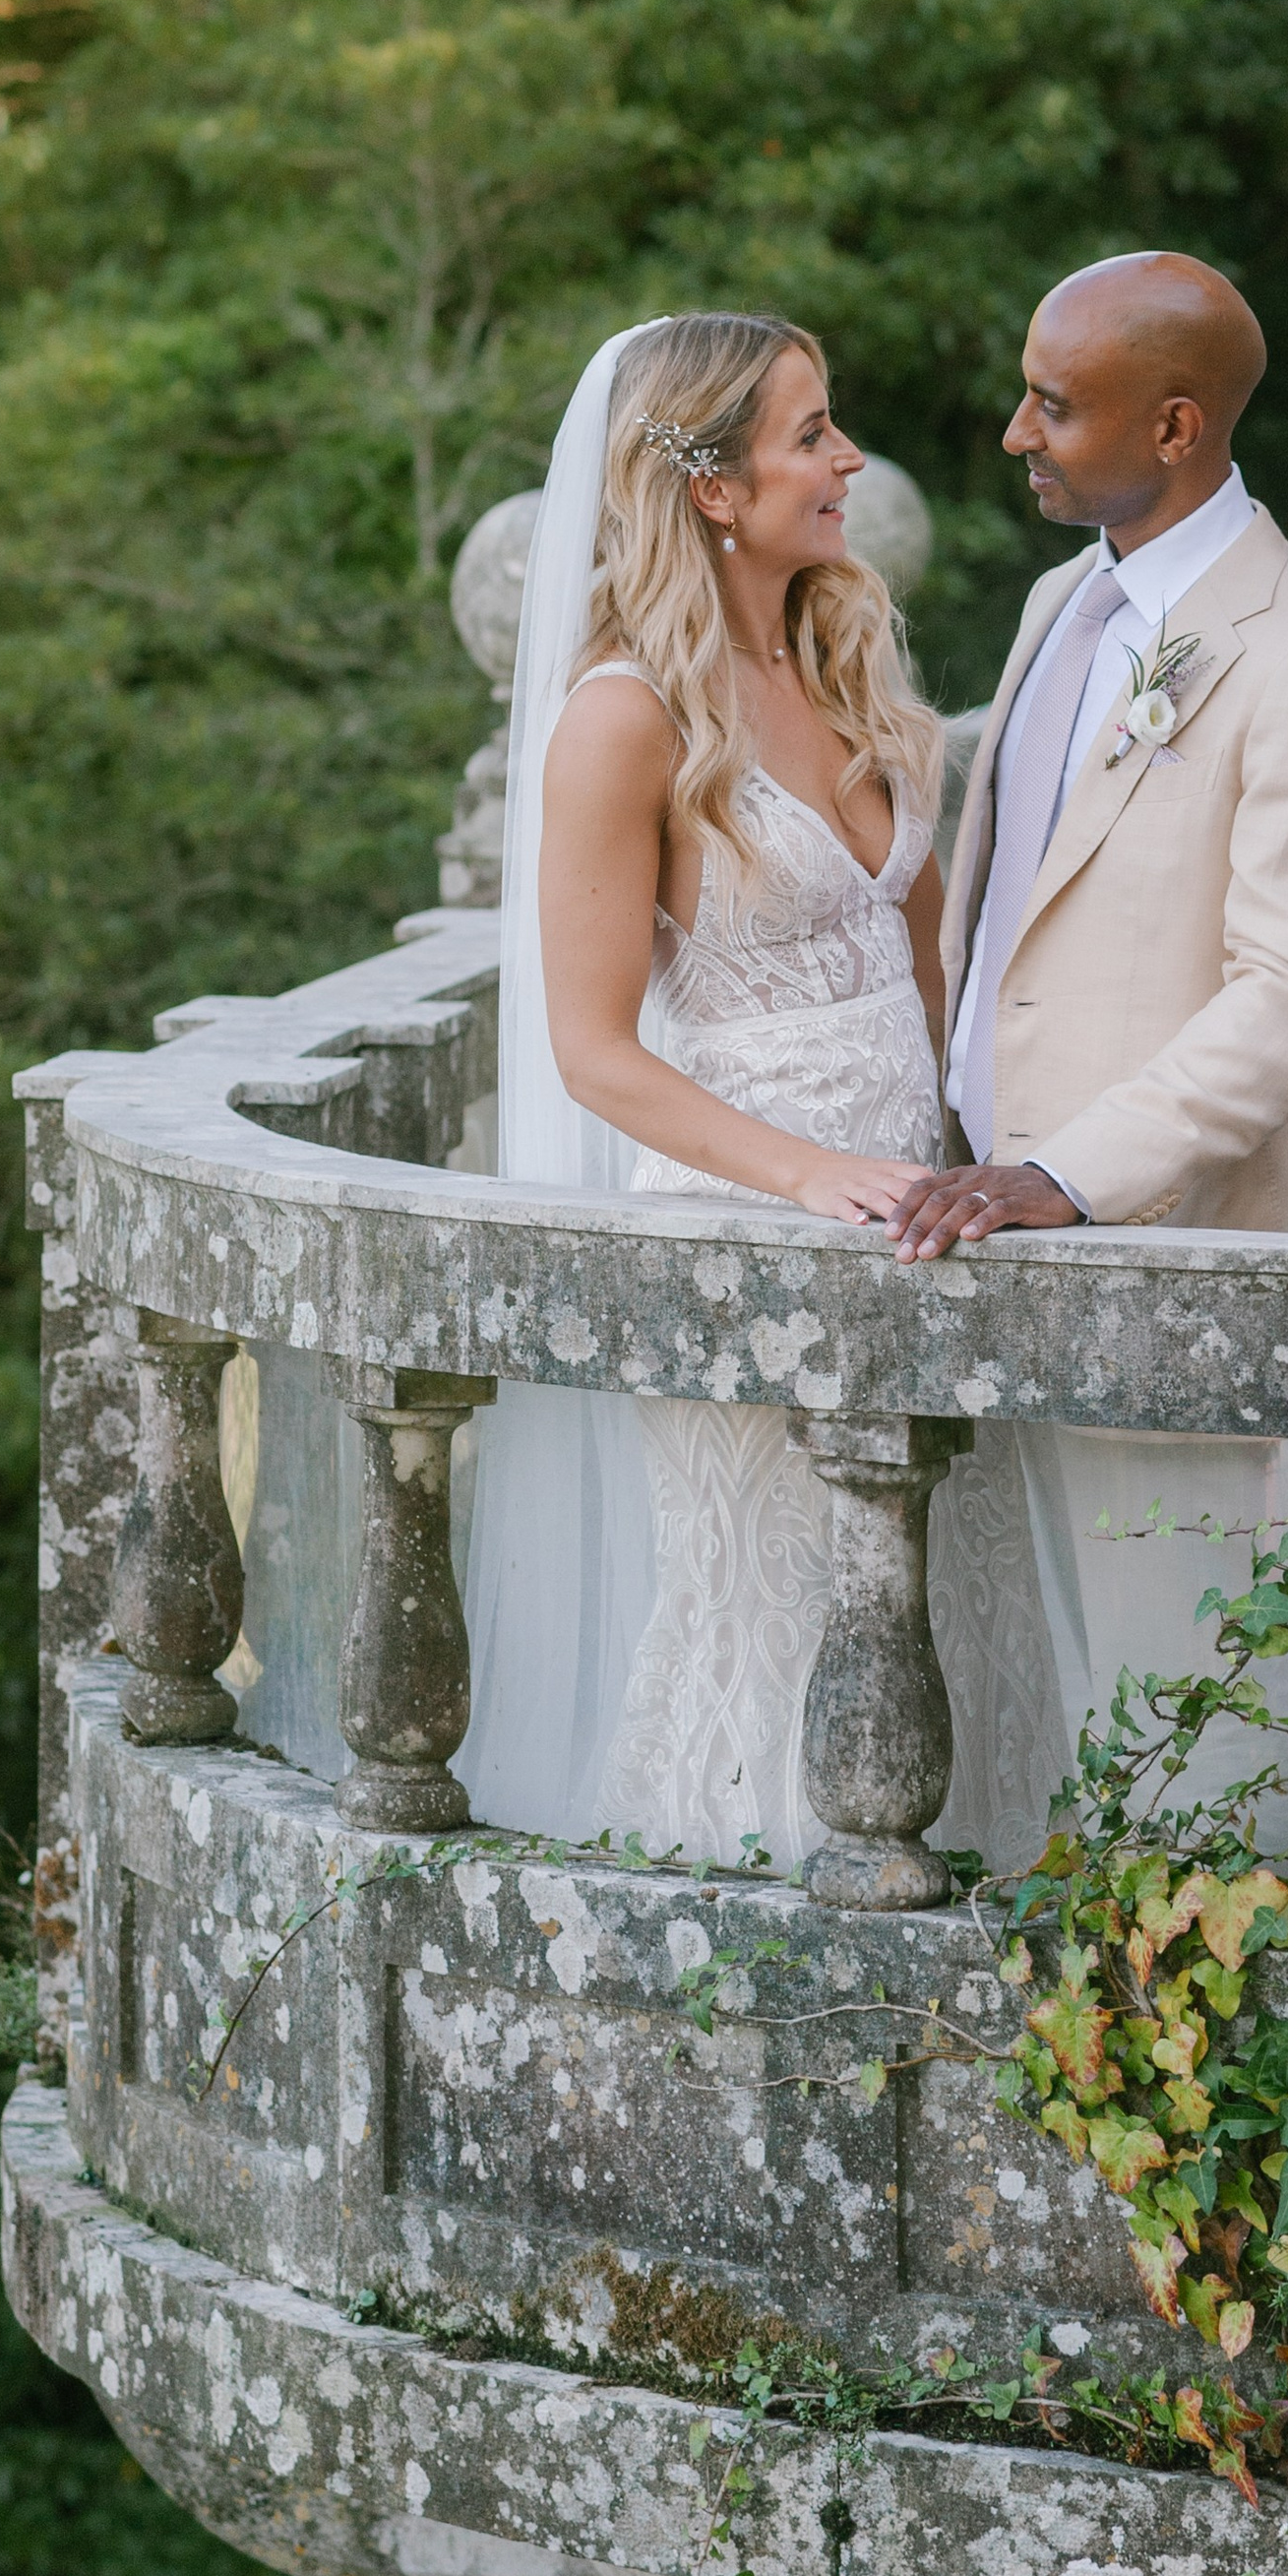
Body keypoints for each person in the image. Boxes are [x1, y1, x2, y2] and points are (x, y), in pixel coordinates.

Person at [457, 311, 947, 1865]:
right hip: (755, 1222)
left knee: (929, 1616)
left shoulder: (845, 657)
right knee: (766, 1624)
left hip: (927, 1223)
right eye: (813, 433)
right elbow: (593, 1048)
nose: (848, 458)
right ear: (714, 486)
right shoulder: (622, 720)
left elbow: (921, 969)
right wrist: (807, 1174)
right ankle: (733, 1980)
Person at [888, 251, 1288, 1260]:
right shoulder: (1058, 601)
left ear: (1174, 428)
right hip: (972, 1212)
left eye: (1054, 405)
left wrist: (1067, 1174)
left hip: (1168, 1239)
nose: (1015, 433)